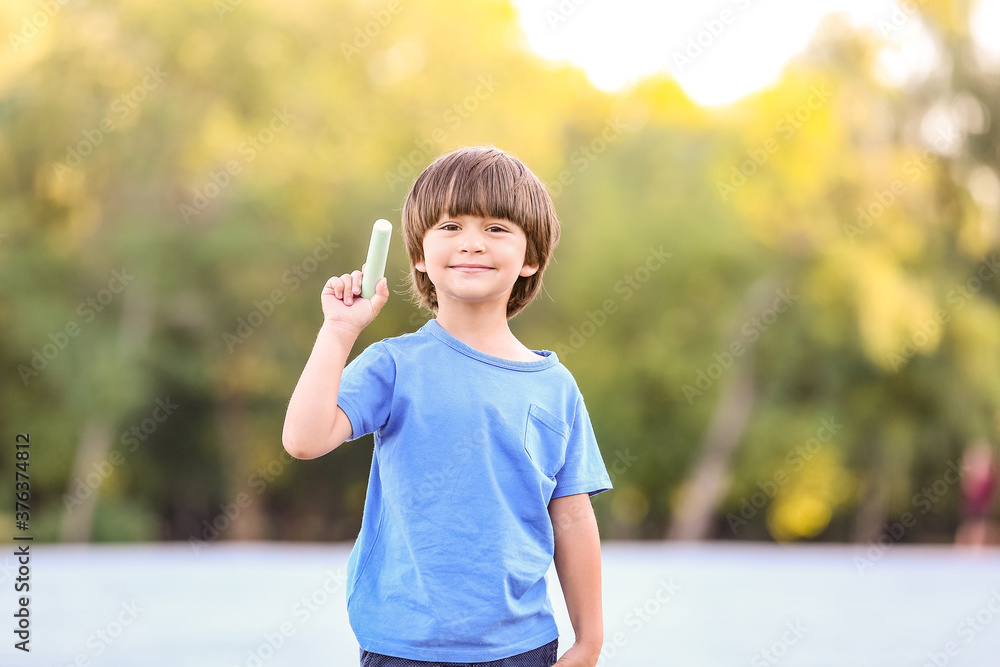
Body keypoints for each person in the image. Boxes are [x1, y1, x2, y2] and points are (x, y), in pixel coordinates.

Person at [282, 146, 614, 667]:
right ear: (419, 253)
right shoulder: (394, 365)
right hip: (403, 647)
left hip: (523, 648)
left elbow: (572, 516)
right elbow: (303, 439)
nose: (472, 243)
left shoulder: (555, 386)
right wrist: (338, 332)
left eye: (497, 228)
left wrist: (589, 641)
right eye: (450, 227)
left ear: (530, 258)